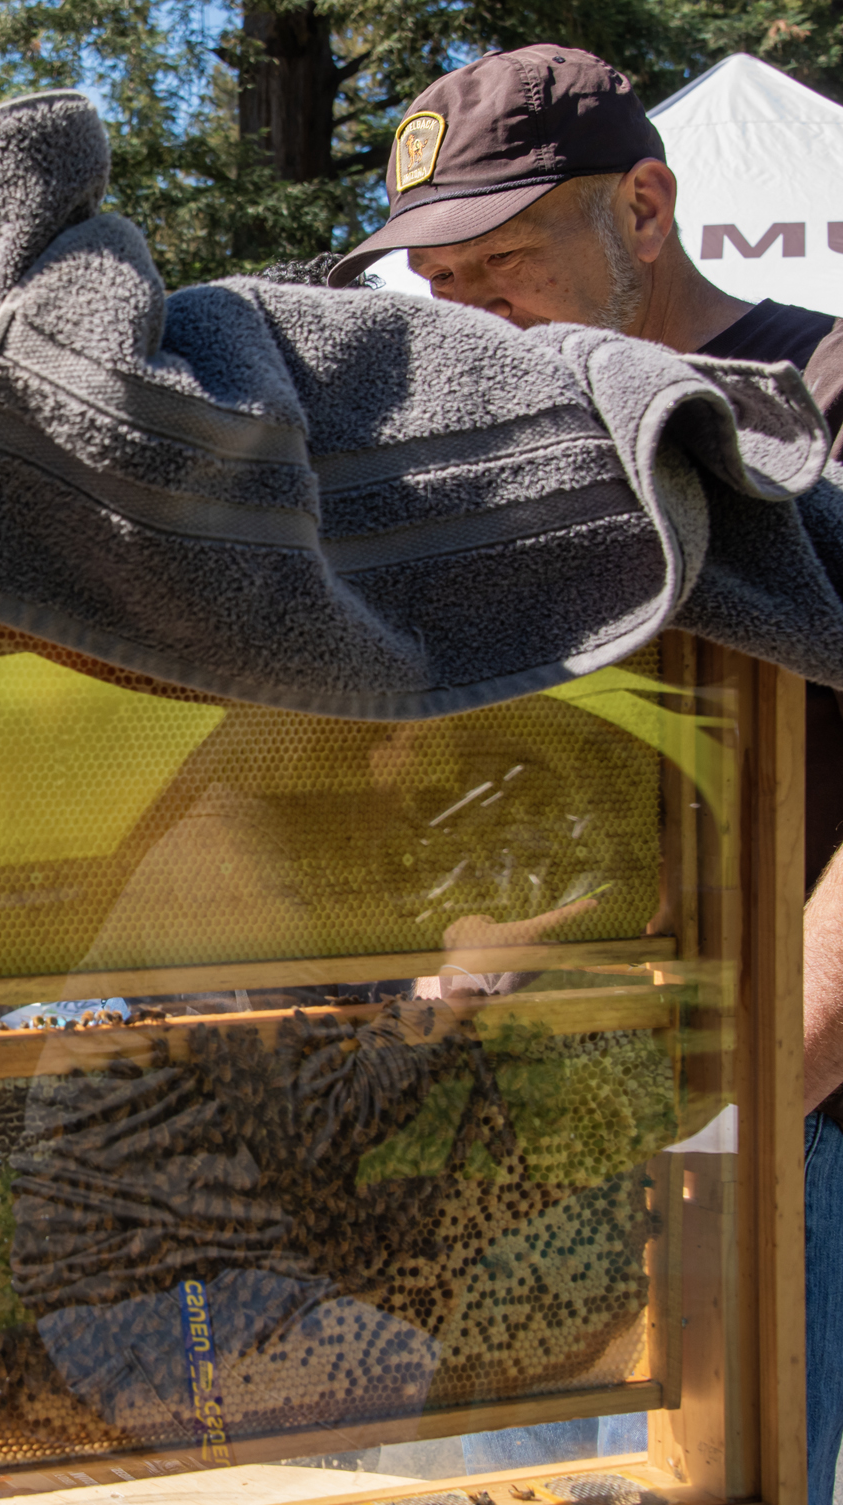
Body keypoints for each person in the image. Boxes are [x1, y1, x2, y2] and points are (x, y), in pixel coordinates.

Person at [331, 43, 843, 1491]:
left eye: (501, 256)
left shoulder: (822, 392)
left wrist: (746, 1093)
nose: (464, 304)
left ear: (644, 208)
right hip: (515, 1109)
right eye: (436, 278)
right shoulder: (479, 440)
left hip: (769, 1126)